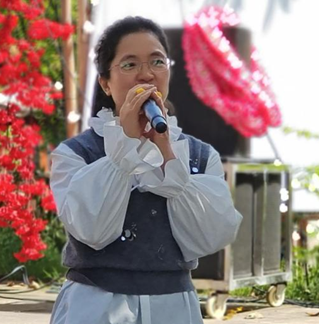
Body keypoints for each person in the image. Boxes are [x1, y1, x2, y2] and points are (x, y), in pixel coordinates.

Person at [49, 16, 243, 324]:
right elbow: (91, 231)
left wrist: (167, 158)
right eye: (129, 64)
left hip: (173, 308)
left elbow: (212, 236)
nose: (146, 74)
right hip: (98, 307)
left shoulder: (199, 155)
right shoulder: (75, 154)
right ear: (105, 83)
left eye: (157, 62)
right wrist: (124, 151)